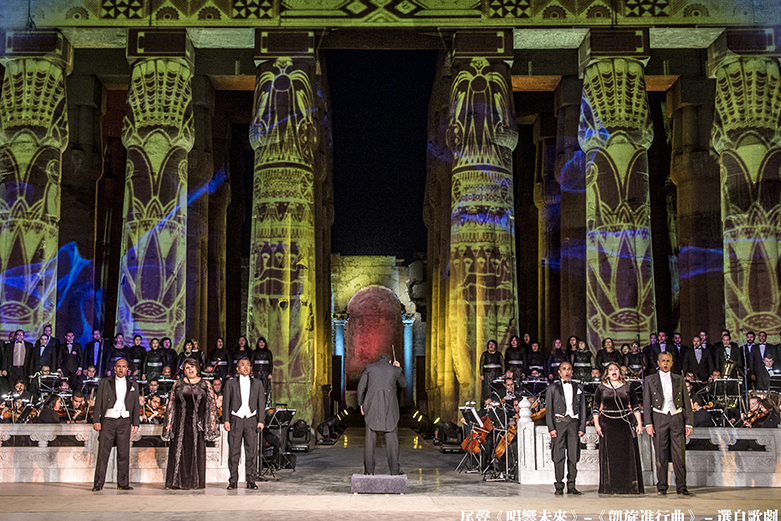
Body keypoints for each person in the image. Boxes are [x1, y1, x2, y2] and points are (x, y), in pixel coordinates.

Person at [162, 357, 219, 489]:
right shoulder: (178, 384)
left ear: (197, 368)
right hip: (180, 423)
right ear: (184, 370)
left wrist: (211, 423)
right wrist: (169, 423)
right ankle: (175, 482)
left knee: (195, 452)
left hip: (197, 424)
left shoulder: (205, 384)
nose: (190, 370)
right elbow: (171, 405)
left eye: (192, 367)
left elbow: (211, 405)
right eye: (187, 367)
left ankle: (194, 482)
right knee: (178, 452)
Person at [643, 352, 693, 496]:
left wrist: (689, 423)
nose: (665, 363)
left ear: (672, 363)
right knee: (661, 455)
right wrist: (648, 423)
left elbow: (687, 403)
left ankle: (682, 487)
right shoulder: (650, 379)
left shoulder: (679, 379)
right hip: (659, 417)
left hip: (676, 417)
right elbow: (646, 403)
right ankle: (662, 487)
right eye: (663, 361)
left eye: (668, 361)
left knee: (679, 454)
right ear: (658, 363)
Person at [592, 362, 644, 494]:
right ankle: (610, 486)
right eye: (611, 369)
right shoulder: (601, 387)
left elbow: (635, 405)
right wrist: (597, 425)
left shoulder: (628, 386)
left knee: (626, 455)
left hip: (624, 423)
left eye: (616, 369)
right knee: (611, 456)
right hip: (607, 424)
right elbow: (596, 407)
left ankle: (628, 486)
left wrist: (639, 423)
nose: (613, 371)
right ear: (607, 373)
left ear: (620, 372)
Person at [92, 358, 140, 492]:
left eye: (123, 367)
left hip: (124, 420)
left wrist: (136, 422)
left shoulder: (133, 384)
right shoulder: (105, 382)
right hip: (108, 420)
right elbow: (98, 402)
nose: (121, 369)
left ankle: (123, 483)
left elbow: (136, 404)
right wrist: (96, 420)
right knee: (103, 453)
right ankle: (98, 483)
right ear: (114, 368)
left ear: (127, 369)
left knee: (123, 453)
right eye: (119, 366)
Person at [357, 353, 406, 475]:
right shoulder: (394, 369)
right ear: (389, 361)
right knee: (392, 441)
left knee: (370, 441)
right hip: (390, 408)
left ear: (378, 361)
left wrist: (361, 404)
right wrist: (398, 369)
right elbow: (404, 384)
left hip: (372, 407)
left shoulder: (369, 368)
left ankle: (369, 471)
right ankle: (394, 470)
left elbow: (361, 387)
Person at [223, 357, 266, 489]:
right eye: (242, 365)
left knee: (251, 451)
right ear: (237, 369)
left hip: (251, 419)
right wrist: (226, 419)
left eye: (248, 365)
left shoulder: (257, 383)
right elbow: (226, 402)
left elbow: (261, 403)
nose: (246, 367)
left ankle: (251, 480)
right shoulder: (230, 383)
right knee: (234, 451)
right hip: (236, 418)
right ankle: (233, 481)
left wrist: (261, 420)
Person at [545, 361, 586, 496]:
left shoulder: (578, 387)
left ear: (572, 372)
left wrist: (582, 426)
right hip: (559, 423)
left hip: (573, 424)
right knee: (558, 456)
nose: (567, 371)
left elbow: (583, 408)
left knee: (573, 456)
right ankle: (559, 485)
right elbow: (549, 409)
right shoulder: (553, 387)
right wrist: (551, 427)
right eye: (564, 369)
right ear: (559, 372)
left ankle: (572, 484)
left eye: (569, 369)